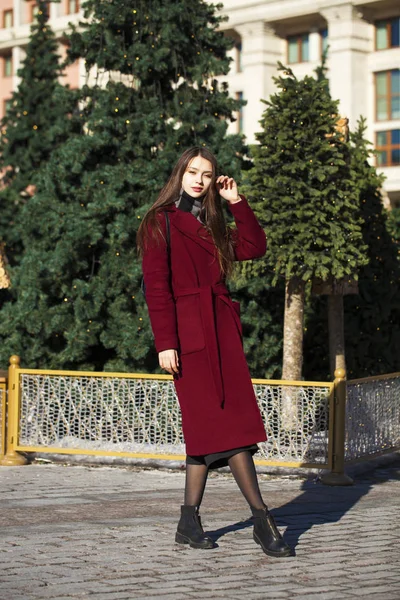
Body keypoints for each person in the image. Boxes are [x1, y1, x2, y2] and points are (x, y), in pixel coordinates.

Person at [137, 147, 292, 558]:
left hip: (222, 332)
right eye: (192, 172)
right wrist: (165, 342)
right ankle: (263, 521)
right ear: (180, 174)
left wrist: (237, 203)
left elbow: (255, 247)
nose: (199, 180)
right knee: (229, 431)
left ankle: (189, 522)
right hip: (189, 339)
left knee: (210, 431)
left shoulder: (214, 219)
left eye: (207, 174)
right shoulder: (160, 222)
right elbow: (156, 287)